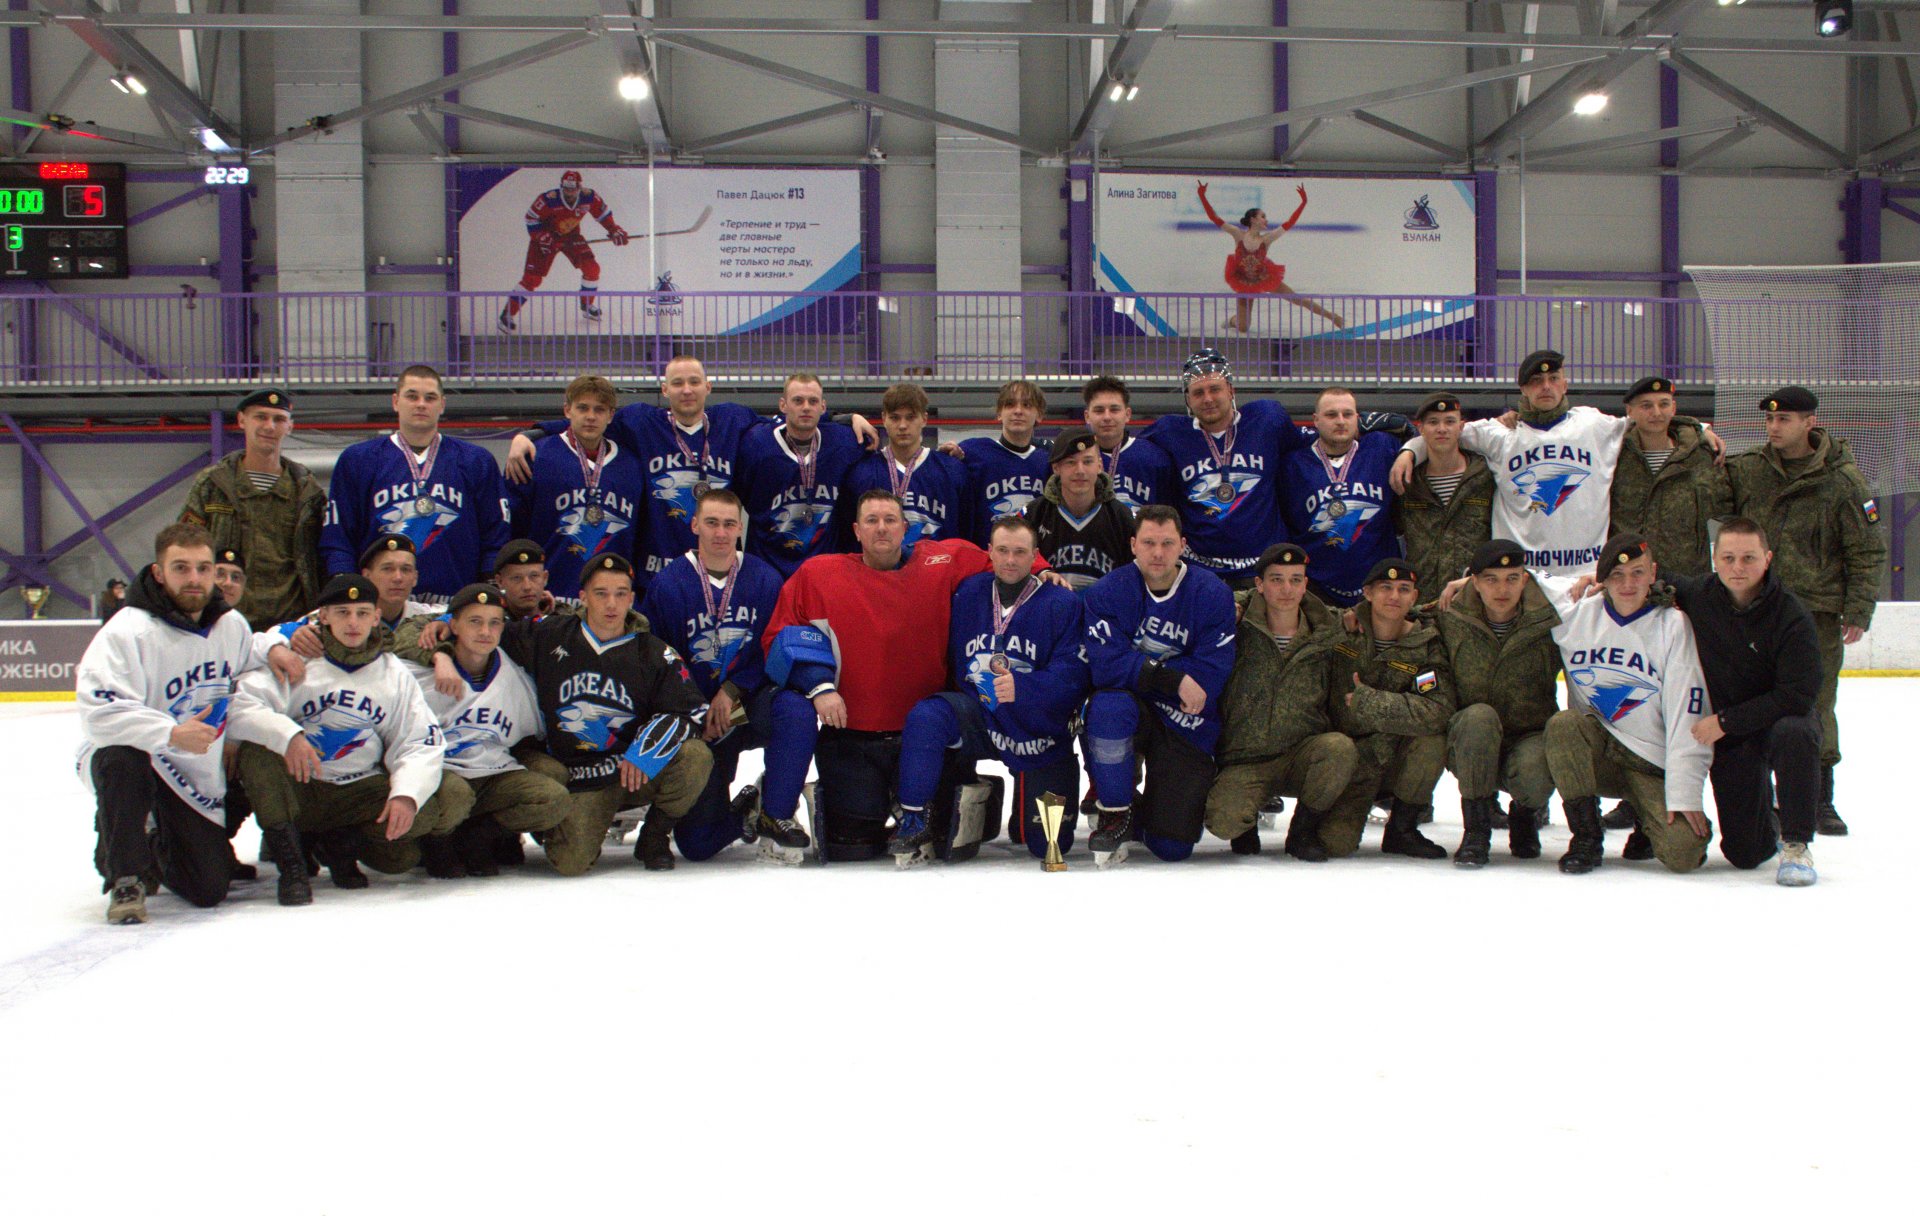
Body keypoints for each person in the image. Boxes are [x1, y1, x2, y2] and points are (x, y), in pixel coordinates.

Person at [759, 491, 1042, 861]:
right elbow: (779, 639)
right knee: (852, 850)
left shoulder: (943, 560)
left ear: (906, 528)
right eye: (872, 520)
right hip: (853, 736)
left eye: (890, 520)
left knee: (941, 842)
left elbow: (1008, 556)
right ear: (856, 530)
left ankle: (965, 791)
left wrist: (1042, 569)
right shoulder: (818, 574)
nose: (882, 528)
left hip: (925, 737)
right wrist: (818, 686)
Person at [410, 553, 714, 874]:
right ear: (583, 597)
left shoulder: (652, 651)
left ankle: (654, 835)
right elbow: (483, 628)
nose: (611, 604)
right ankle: (522, 829)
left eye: (620, 593)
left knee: (695, 756)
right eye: (601, 593)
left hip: (631, 769)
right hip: (578, 777)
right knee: (571, 863)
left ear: (631, 599)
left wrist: (647, 751)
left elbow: (691, 711)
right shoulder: (548, 633)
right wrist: (444, 630)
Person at [75, 523, 300, 923]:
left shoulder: (230, 625)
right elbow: (100, 712)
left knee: (208, 889)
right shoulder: (127, 631)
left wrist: (274, 650)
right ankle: (126, 874)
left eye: (203, 568)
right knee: (120, 757)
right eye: (181, 568)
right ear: (159, 573)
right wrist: (170, 733)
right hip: (138, 761)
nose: (194, 578)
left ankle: (148, 838)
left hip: (191, 773)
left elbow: (248, 664)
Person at [506, 356, 875, 597]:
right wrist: (534, 433)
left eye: (694, 382)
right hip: (657, 572)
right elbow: (590, 420)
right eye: (678, 383)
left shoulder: (733, 420)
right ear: (664, 389)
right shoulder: (640, 422)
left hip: (722, 566)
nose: (687, 390)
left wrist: (843, 418)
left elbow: (794, 418)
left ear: (708, 387)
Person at [1389, 350, 1722, 577]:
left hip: (1587, 575)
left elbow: (1650, 419)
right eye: (1536, 381)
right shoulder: (1499, 434)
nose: (1545, 387)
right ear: (1523, 389)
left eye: (1553, 379)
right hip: (1522, 577)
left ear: (1565, 384)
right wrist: (1410, 451)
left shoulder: (1594, 425)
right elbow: (1444, 432)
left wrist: (1700, 428)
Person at [228, 574, 457, 904]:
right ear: (323, 616)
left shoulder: (394, 673)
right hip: (303, 786)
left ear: (376, 617)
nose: (353, 623)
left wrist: (406, 794)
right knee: (257, 753)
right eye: (342, 612)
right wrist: (287, 735)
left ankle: (340, 843)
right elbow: (240, 705)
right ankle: (292, 867)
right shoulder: (298, 658)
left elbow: (419, 740)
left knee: (409, 839)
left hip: (357, 790)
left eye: (362, 613)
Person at [1723, 386, 1886, 837]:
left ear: (1810, 422)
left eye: (1785, 420)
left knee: (1816, 702)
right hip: (1753, 609)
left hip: (1814, 613)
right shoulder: (1749, 469)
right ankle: (1761, 796)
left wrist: (1858, 608)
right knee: (1751, 699)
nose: (1774, 427)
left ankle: (1818, 797)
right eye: (1770, 420)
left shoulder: (1843, 481)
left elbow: (1866, 549)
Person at [893, 516, 1088, 865]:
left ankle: (1011, 801)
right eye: (1002, 550)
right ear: (990, 552)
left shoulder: (1062, 602)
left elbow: (1074, 674)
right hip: (980, 714)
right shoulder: (968, 593)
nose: (1010, 560)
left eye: (1020, 552)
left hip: (1037, 730)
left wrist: (1025, 687)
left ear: (1035, 556)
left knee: (1046, 844)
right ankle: (913, 819)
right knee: (928, 716)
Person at [639, 488, 805, 862]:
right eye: (712, 523)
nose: (720, 533)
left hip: (745, 707)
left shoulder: (765, 579)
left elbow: (772, 649)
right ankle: (748, 811)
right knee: (697, 845)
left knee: (794, 710)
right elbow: (657, 661)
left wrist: (732, 690)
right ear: (694, 525)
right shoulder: (668, 584)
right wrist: (696, 711)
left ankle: (777, 807)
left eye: (729, 524)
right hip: (699, 721)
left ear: (740, 528)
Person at [1541, 534, 1713, 875]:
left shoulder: (1673, 625)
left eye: (1637, 573)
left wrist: (1684, 794)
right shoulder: (1577, 612)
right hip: (1597, 754)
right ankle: (1587, 835)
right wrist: (1467, 581)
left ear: (1653, 573)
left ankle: (1644, 817)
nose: (1628, 584)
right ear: (1602, 578)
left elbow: (1688, 715)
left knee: (1684, 853)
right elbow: (1523, 577)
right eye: (1617, 575)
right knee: (1563, 725)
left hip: (1648, 763)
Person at [1668, 519, 1822, 886]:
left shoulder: (1792, 616)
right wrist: (1596, 580)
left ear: (1767, 559)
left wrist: (1724, 722)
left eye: (1749, 558)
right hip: (1735, 737)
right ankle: (1768, 818)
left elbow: (1797, 695)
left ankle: (1796, 843)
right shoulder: (1700, 594)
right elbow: (1650, 576)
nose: (1738, 568)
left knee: (1797, 732)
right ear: (1715, 560)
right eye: (1729, 558)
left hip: (1776, 721)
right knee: (1745, 854)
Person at [1081, 505, 1236, 867]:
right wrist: (1172, 679)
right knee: (1107, 706)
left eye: (1167, 543)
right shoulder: (1108, 591)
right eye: (1149, 542)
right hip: (1135, 707)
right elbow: (1105, 666)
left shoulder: (1212, 593)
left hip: (1184, 718)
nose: (1157, 553)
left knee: (1172, 847)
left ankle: (1149, 814)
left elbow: (1210, 673)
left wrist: (1141, 672)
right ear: (1133, 545)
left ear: (1182, 545)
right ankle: (1116, 812)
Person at [407, 583, 570, 877]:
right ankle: (437, 841)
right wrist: (440, 657)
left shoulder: (514, 675)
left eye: (494, 623)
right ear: (453, 625)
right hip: (445, 775)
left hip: (491, 772)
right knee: (455, 795)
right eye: (475, 621)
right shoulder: (420, 672)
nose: (485, 631)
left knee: (553, 798)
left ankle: (479, 836)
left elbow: (532, 731)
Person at [1202, 543, 1352, 861]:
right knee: (1223, 822)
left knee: (1338, 749)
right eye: (1276, 579)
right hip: (1246, 759)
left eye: (1296, 580)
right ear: (1258, 584)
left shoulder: (1327, 630)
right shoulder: (1235, 623)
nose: (1287, 589)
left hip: (1301, 755)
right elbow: (1199, 602)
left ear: (1306, 584)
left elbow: (1385, 609)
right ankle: (1246, 821)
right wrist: (1237, 602)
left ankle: (1302, 831)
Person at [320, 365, 511, 597]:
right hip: (382, 603)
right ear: (395, 401)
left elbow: (495, 534)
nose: (421, 404)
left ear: (442, 404)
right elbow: (339, 535)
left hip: (455, 601)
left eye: (430, 398)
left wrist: (487, 586)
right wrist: (347, 587)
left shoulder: (476, 461)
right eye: (412, 396)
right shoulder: (358, 460)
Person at [1433, 540, 1564, 867]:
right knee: (1479, 717)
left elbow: (1610, 596)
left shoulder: (1552, 617)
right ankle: (1476, 830)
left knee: (1539, 766)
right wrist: (1354, 618)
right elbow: (1393, 613)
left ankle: (1524, 814)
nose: (1502, 589)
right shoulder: (1450, 616)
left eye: (1511, 578)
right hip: (1472, 739)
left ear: (1525, 579)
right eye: (1491, 579)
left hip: (1529, 736)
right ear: (1474, 582)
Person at [1138, 348, 1317, 585]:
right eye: (1198, 392)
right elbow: (1127, 448)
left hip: (1262, 569)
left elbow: (1318, 443)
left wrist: (1361, 428)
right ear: (1188, 399)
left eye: (1215, 389)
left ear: (1231, 390)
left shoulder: (1266, 419)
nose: (1208, 399)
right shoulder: (1169, 432)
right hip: (1201, 571)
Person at [1319, 559, 1455, 860]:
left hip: (1395, 758)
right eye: (1385, 588)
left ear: (1414, 597)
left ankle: (1402, 828)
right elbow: (1286, 602)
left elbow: (1436, 709)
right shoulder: (1342, 628)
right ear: (1367, 593)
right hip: (1349, 763)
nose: (1394, 596)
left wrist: (1370, 702)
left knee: (1433, 740)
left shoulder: (1426, 644)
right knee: (1334, 844)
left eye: (1404, 589)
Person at [179, 387, 326, 626]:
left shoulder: (308, 493)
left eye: (279, 419)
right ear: (241, 420)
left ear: (290, 427)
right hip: (222, 619)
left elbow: (320, 557)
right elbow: (185, 547)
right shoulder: (212, 485)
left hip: (291, 624)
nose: (269, 426)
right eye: (260, 417)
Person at [507, 374, 649, 599]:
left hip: (612, 602)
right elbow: (514, 531)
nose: (590, 416)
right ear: (567, 410)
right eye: (582, 408)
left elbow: (639, 536)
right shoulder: (537, 457)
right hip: (552, 597)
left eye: (599, 410)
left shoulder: (631, 465)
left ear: (611, 415)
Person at [734, 372, 867, 578]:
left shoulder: (844, 441)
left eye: (813, 401)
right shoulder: (756, 445)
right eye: (798, 401)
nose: (806, 407)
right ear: (783, 405)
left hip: (823, 571)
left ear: (823, 407)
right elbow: (734, 500)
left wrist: (851, 418)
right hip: (768, 569)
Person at [1280, 386, 1402, 606]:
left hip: (1379, 585)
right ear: (1316, 420)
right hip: (1317, 589)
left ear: (1358, 418)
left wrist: (1409, 453)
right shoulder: (1293, 465)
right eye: (1331, 415)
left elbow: (1420, 436)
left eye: (1347, 414)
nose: (1340, 421)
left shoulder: (1381, 448)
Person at [1609, 376, 1731, 578]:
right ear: (1630, 411)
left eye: (1663, 404)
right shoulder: (1615, 455)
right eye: (1646, 406)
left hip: (1688, 575)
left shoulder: (1699, 455)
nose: (1656, 413)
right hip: (1630, 576)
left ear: (1673, 408)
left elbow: (1719, 511)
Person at [835, 382, 971, 549]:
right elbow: (848, 537)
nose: (902, 425)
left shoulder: (952, 471)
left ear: (924, 419)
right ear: (884, 418)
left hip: (936, 565)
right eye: (895, 417)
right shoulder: (861, 474)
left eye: (910, 417)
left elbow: (966, 536)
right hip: (878, 566)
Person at [1195, 180, 1345, 332]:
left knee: (1296, 298)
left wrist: (1303, 203)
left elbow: (1289, 223)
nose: (1266, 220)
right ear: (1253, 219)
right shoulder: (1237, 234)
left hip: (1263, 277)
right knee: (1243, 327)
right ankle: (1233, 320)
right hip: (1243, 281)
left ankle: (1333, 316)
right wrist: (1202, 196)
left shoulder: (1267, 239)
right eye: (1262, 216)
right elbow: (1214, 218)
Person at [497, 169, 629, 332]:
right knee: (532, 279)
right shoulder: (548, 199)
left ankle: (586, 306)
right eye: (566, 189)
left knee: (592, 269)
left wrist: (614, 229)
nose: (569, 193)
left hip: (570, 237)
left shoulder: (589, 196)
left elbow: (602, 214)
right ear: (561, 186)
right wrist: (543, 237)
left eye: (573, 189)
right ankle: (507, 315)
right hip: (544, 239)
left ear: (579, 187)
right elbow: (531, 218)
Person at [1392, 392, 1494, 599]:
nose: (1442, 429)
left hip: (1473, 598)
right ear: (1420, 429)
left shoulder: (1485, 476)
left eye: (1449, 421)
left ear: (1461, 427)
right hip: (1422, 599)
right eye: (1433, 422)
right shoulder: (1408, 482)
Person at [1021, 426, 1135, 591]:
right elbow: (1008, 552)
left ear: (1099, 465)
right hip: (1050, 604)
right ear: (1056, 468)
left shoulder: (1123, 517)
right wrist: (1040, 570)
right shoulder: (1033, 514)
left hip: (1104, 605)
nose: (1080, 470)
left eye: (1087, 461)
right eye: (1071, 462)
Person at [955, 379, 1053, 545]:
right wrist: (946, 457)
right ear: (999, 413)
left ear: (1039, 415)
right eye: (1010, 404)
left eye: (1027, 405)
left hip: (1034, 555)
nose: (1018, 411)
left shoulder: (1048, 460)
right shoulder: (972, 452)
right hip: (987, 554)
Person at [1080, 374, 1171, 513]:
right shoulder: (1077, 459)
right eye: (1099, 410)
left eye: (1114, 410)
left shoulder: (1155, 457)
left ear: (1127, 414)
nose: (1107, 417)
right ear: (1087, 416)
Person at [491, 542, 551, 619]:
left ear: (545, 578)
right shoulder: (492, 621)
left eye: (534, 576)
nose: (527, 587)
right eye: (517, 578)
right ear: (500, 581)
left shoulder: (561, 618)